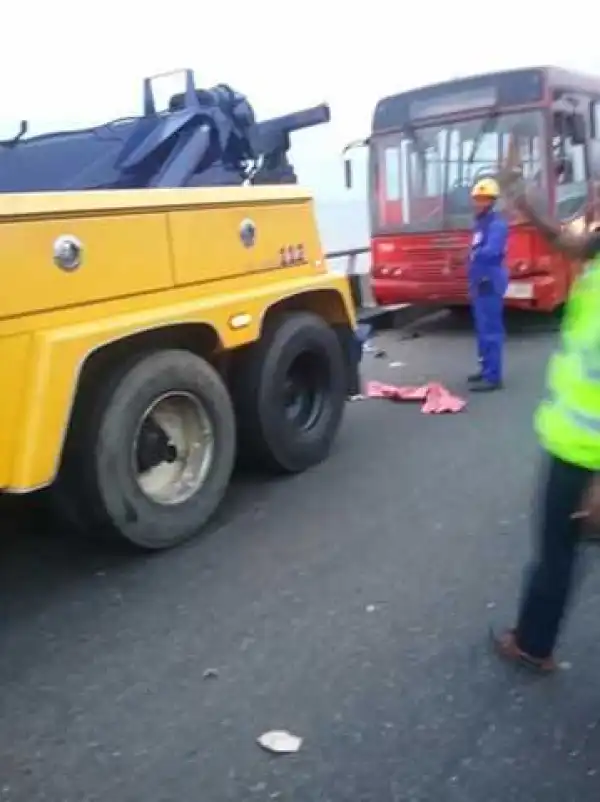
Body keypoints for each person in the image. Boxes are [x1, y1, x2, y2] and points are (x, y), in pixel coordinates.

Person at [490, 138, 600, 672]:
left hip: (587, 456)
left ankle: (533, 645)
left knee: (557, 551)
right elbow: (565, 240)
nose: (590, 209)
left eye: (598, 200)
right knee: (560, 550)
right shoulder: (597, 254)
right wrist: (520, 195)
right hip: (575, 447)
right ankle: (534, 641)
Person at [468, 178, 509, 392]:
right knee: (482, 329)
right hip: (479, 281)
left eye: (483, 199)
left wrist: (473, 254)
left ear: (492, 201)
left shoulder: (496, 225)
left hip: (489, 281)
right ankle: (485, 369)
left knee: (491, 330)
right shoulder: (480, 224)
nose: (478, 203)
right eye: (477, 199)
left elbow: (491, 251)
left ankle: (493, 377)